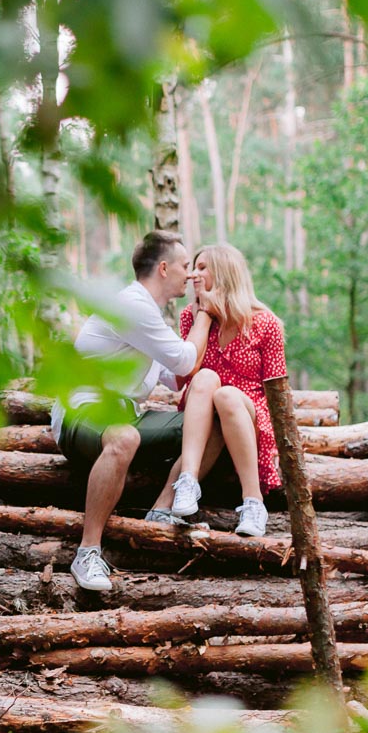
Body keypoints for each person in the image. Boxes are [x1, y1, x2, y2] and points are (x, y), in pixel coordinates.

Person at [52, 231, 223, 592]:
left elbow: (177, 378)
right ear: (163, 268)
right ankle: (87, 553)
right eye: (184, 265)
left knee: (214, 421)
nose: (190, 273)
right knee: (124, 436)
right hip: (83, 410)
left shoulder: (151, 317)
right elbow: (184, 359)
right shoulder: (132, 305)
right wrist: (206, 314)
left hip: (127, 413)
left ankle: (161, 510)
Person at [161, 244, 288, 538]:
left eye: (202, 267)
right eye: (194, 267)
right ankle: (187, 483)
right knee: (205, 378)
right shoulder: (189, 318)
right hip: (202, 417)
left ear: (224, 272)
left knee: (227, 395)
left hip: (248, 417)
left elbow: (277, 392)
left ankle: (254, 502)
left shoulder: (265, 323)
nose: (193, 274)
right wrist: (205, 313)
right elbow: (187, 375)